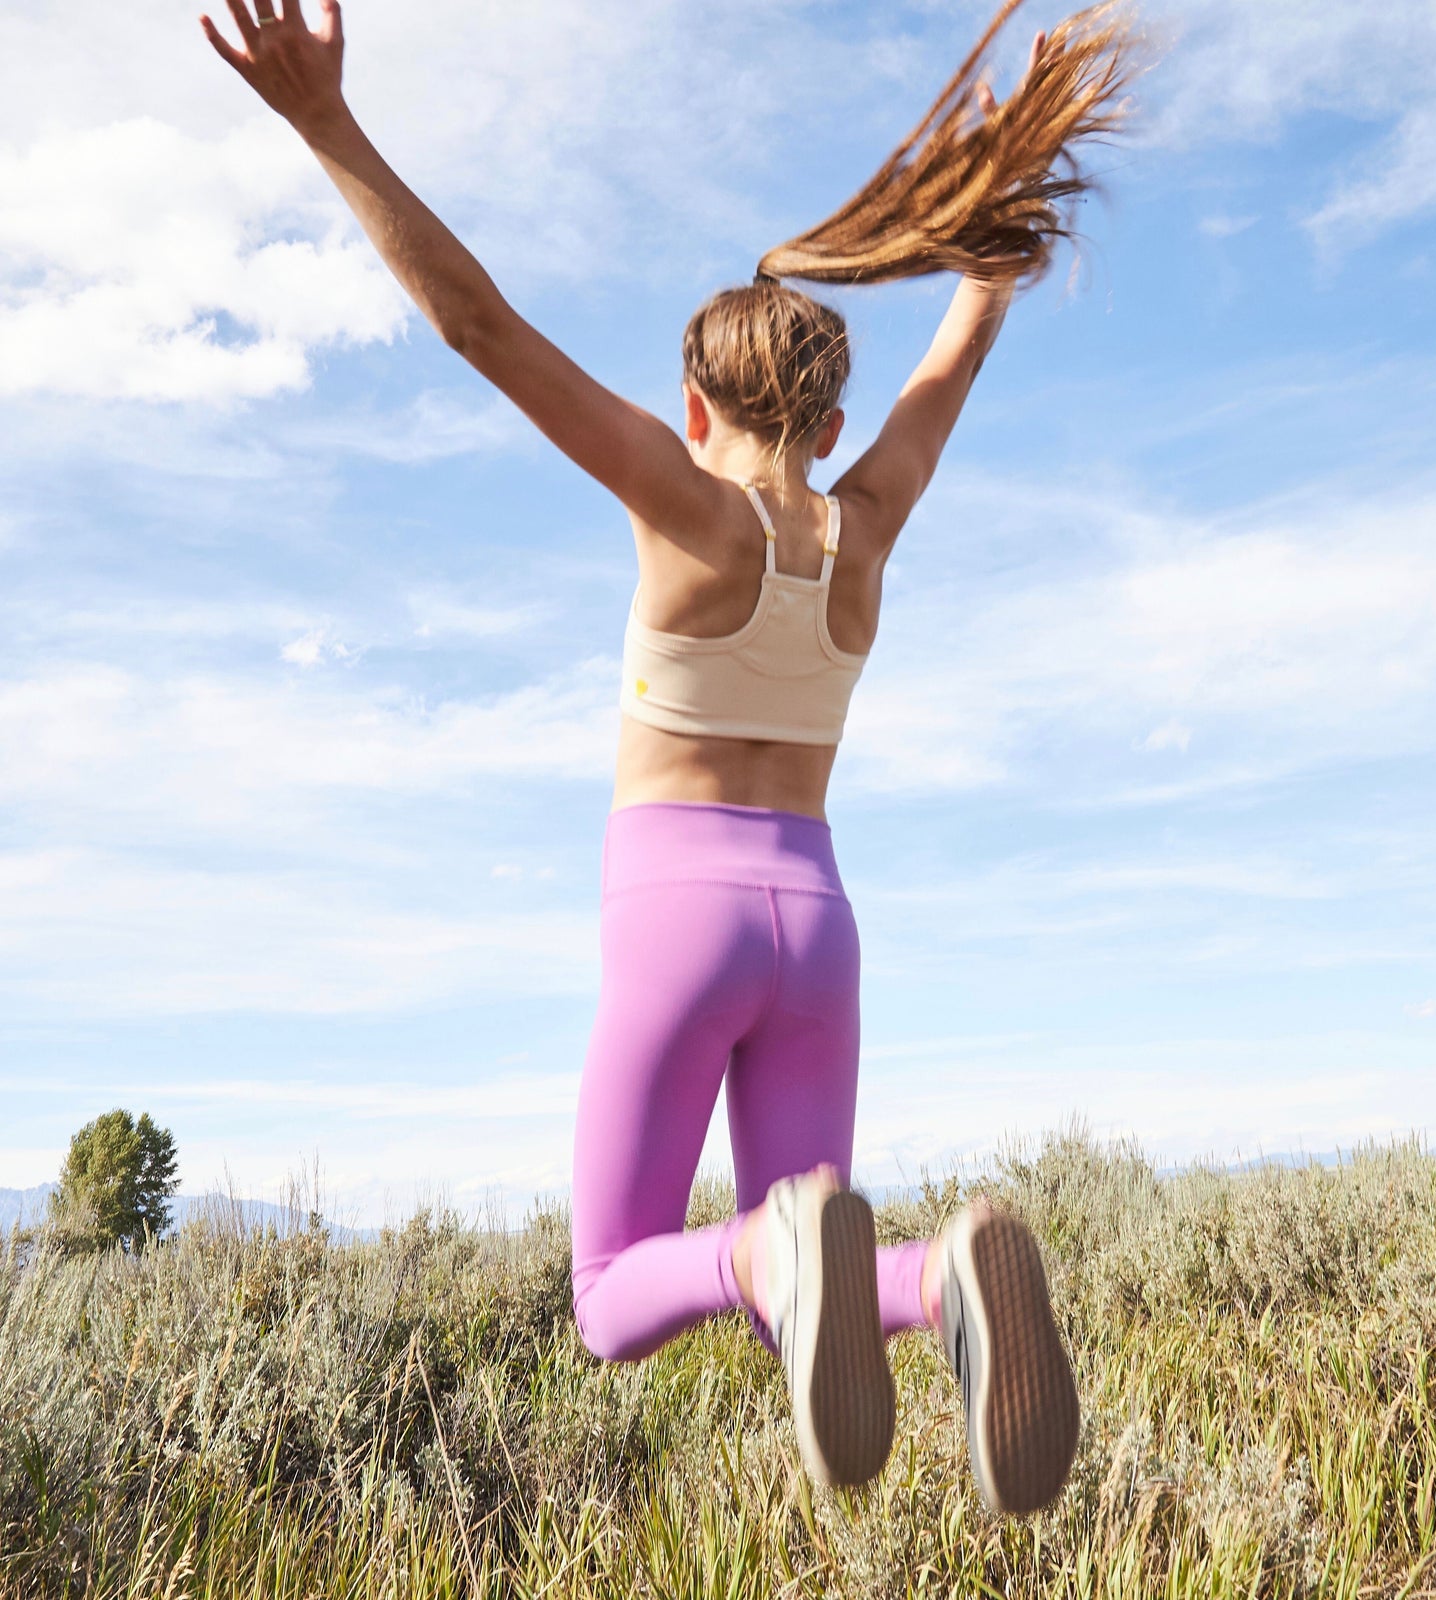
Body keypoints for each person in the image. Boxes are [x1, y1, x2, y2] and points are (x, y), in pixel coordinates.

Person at [202, 0, 1134, 1514]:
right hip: (818, 931)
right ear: (833, 419)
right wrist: (994, 247)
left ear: (694, 407)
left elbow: (478, 327)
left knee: (612, 1288)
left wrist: (326, 127)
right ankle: (947, 1276)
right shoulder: (866, 525)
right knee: (798, 1259)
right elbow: (951, 369)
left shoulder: (682, 503)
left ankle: (800, 1251)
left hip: (676, 920)